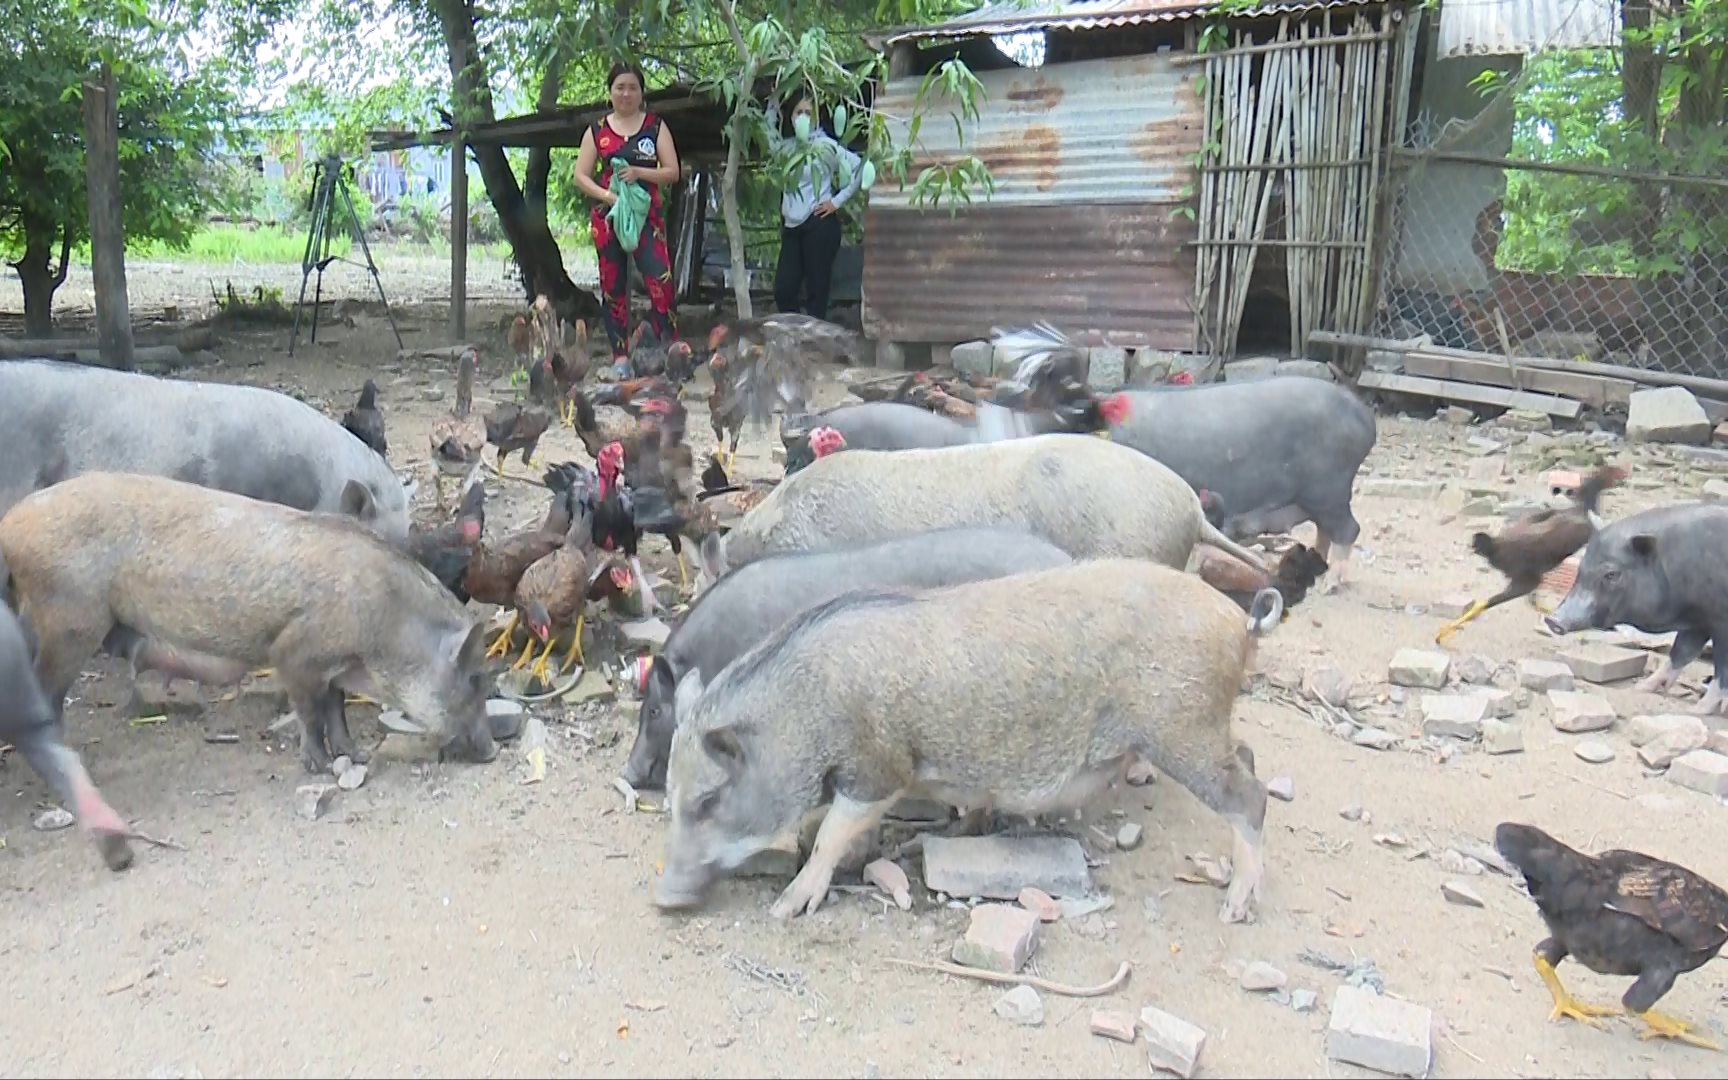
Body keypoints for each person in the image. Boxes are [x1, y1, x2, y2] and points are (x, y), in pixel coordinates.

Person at [574, 62, 682, 375]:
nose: (626, 93)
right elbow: (581, 176)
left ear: (641, 92)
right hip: (609, 217)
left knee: (661, 281)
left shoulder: (655, 126)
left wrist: (638, 173)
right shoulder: (597, 130)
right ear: (610, 92)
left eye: (633, 87)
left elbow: (672, 171)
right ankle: (620, 357)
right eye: (620, 87)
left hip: (647, 216)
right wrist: (610, 197)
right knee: (613, 286)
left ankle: (670, 350)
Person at [765, 94, 862, 321]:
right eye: (799, 112)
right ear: (790, 117)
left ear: (817, 119)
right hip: (791, 227)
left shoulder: (824, 145)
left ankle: (815, 343)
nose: (803, 118)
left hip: (819, 223)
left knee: (817, 293)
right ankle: (795, 334)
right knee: (784, 289)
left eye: (809, 113)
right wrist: (773, 101)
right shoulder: (786, 149)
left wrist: (836, 202)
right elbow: (767, 135)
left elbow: (858, 167)